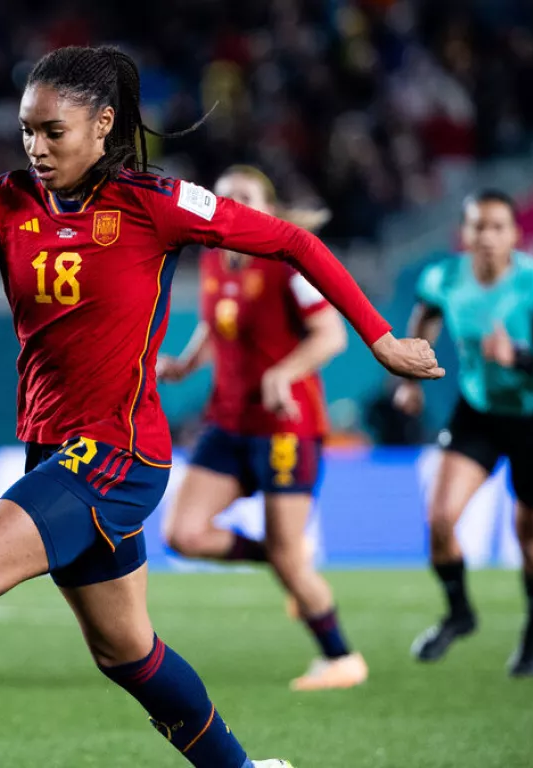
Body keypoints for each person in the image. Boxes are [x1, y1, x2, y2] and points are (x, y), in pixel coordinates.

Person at [0, 46, 440, 768]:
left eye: (52, 132)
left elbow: (294, 240)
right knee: (127, 652)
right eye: (27, 130)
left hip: (119, 453)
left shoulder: (157, 203)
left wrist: (379, 337)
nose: (35, 146)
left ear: (103, 125)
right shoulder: (2, 203)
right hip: (56, 452)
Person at [157, 165, 366, 692]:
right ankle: (280, 557)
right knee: (183, 534)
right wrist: (186, 363)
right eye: (223, 198)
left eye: (245, 197)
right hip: (228, 421)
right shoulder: (211, 257)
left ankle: (342, 659)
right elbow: (216, 320)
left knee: (291, 561)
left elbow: (331, 336)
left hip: (284, 428)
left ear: (268, 209)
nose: (232, 205)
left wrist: (283, 373)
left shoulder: (288, 262)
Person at [395, 189, 533, 677]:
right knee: (439, 521)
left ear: (515, 236)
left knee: (531, 541)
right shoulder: (443, 277)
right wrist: (410, 379)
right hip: (478, 411)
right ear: (464, 233)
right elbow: (424, 320)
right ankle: (460, 615)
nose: (487, 237)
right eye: (478, 226)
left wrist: (519, 358)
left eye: (498, 227)